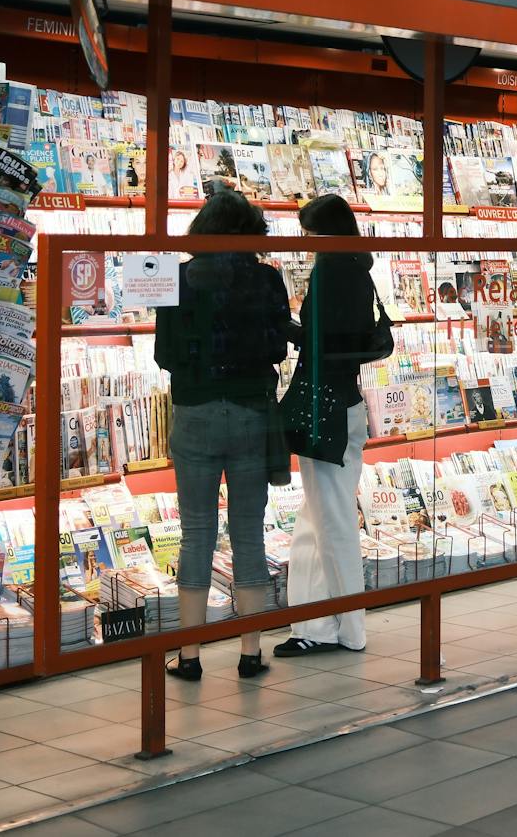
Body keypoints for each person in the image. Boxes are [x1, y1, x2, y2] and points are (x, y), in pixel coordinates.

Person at [152, 188, 291, 681]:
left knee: (196, 532)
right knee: (249, 531)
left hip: (195, 413)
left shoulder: (177, 279)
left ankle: (188, 656)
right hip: (253, 410)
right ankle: (250, 653)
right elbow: (278, 347)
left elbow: (164, 355)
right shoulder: (269, 280)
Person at [276, 193, 380, 658]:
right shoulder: (357, 267)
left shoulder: (334, 271)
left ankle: (351, 627)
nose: (305, 243)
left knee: (332, 520)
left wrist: (286, 327)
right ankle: (315, 623)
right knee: (316, 519)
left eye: (309, 234)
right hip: (342, 402)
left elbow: (324, 341)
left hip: (328, 408)